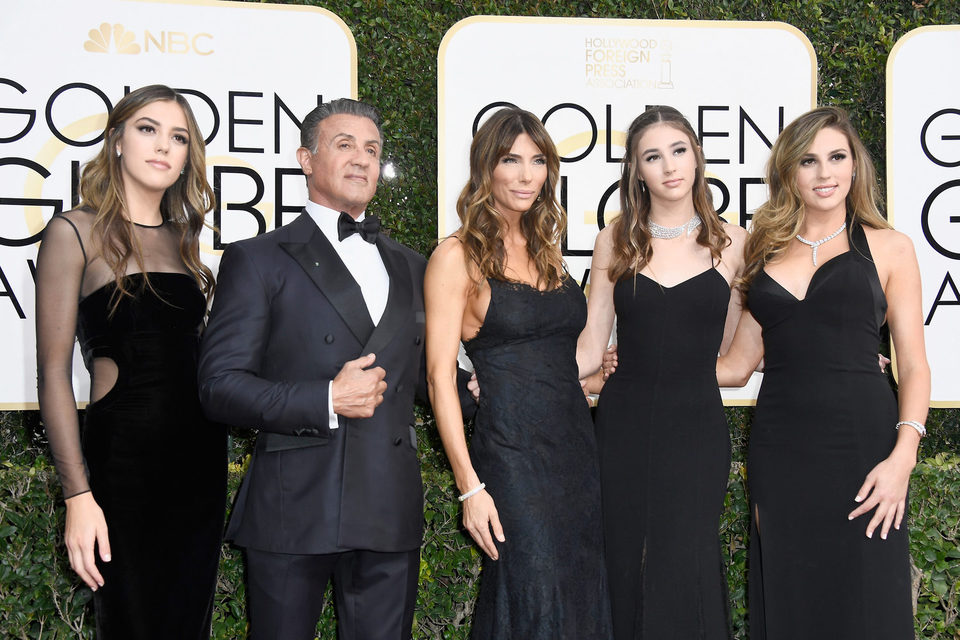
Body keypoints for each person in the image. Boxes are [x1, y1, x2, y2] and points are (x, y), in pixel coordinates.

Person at [198, 98, 475, 640]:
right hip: (292, 506)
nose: (361, 159)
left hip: (388, 506)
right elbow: (218, 387)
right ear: (306, 159)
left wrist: (496, 387)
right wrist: (325, 398)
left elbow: (426, 379)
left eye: (371, 149)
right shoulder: (258, 258)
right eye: (344, 145)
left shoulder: (413, 264)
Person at [715, 106, 929, 639]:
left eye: (837, 157)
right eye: (809, 161)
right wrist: (638, 362)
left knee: (868, 601)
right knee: (791, 598)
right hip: (781, 452)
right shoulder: (762, 253)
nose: (825, 172)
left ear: (856, 166)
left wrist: (903, 457)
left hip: (865, 450)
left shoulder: (890, 247)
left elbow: (916, 365)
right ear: (789, 172)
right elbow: (737, 367)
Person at [35, 84, 226, 639]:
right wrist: (78, 494)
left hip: (200, 466)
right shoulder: (75, 232)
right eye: (148, 129)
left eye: (179, 137)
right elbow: (52, 374)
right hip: (123, 469)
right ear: (116, 139)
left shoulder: (187, 242)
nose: (163, 146)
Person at [425, 107, 612, 639]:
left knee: (579, 588)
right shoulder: (456, 255)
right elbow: (440, 376)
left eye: (538, 161)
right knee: (532, 591)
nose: (527, 175)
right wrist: (469, 487)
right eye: (511, 160)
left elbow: (557, 358)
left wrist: (599, 375)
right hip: (511, 456)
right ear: (487, 168)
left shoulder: (548, 252)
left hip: (576, 449)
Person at [576, 105, 746, 639]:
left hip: (696, 425)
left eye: (679, 150)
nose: (669, 165)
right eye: (653, 156)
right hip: (623, 424)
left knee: (687, 560)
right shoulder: (615, 239)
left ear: (697, 156)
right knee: (622, 556)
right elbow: (588, 344)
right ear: (637, 171)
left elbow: (738, 356)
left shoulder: (736, 244)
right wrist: (514, 371)